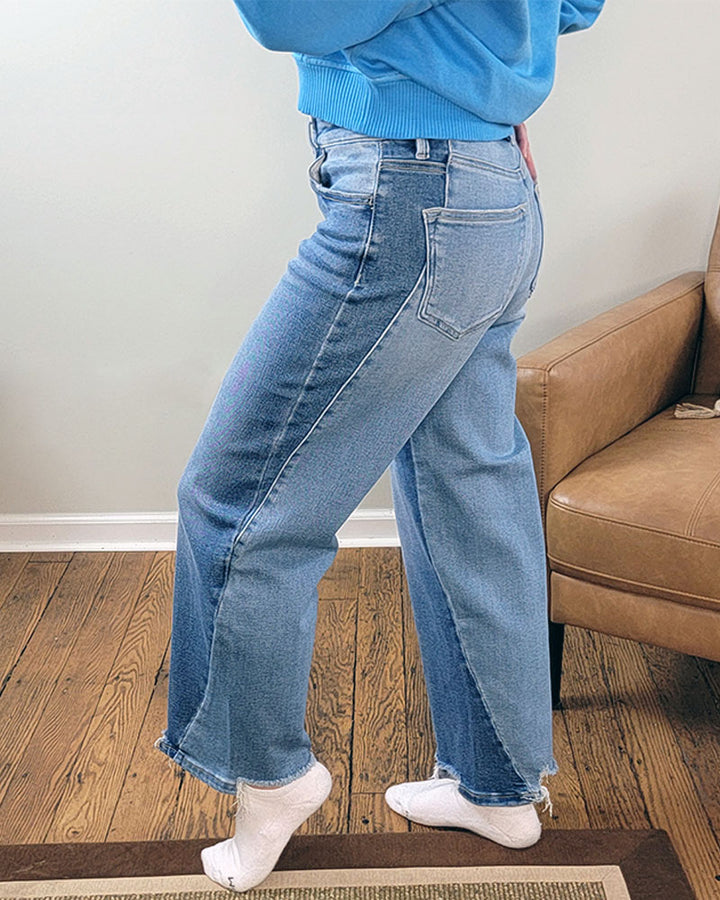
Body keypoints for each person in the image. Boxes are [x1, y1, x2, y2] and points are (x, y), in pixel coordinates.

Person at [154, 0, 606, 891]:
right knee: (465, 486)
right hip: (483, 184)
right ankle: (498, 788)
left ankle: (272, 777)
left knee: (238, 504)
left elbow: (290, 12)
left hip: (412, 197)